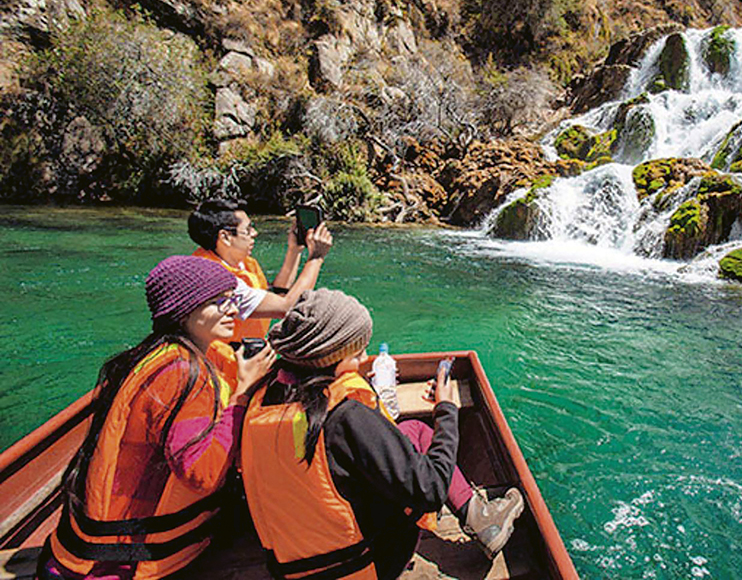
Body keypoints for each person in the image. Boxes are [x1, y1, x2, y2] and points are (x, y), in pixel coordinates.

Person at [240, 289, 525, 580]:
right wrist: (446, 409)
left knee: (412, 430)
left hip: (292, 565)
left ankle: (476, 514)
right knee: (419, 460)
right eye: (357, 351)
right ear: (334, 355)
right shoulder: (345, 419)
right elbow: (431, 489)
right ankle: (479, 517)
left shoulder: (263, 397)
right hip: (361, 565)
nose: (365, 356)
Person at [39, 256, 276, 580]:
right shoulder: (182, 375)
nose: (233, 310)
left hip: (94, 543)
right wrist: (243, 395)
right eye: (218, 302)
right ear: (184, 310)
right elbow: (202, 473)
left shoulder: (156, 352)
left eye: (231, 299)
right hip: (124, 558)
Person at [187, 198, 333, 343]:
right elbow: (286, 307)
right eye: (247, 230)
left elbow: (277, 295)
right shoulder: (216, 278)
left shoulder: (242, 263)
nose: (254, 233)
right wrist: (316, 257)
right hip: (225, 356)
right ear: (225, 237)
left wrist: (294, 251)